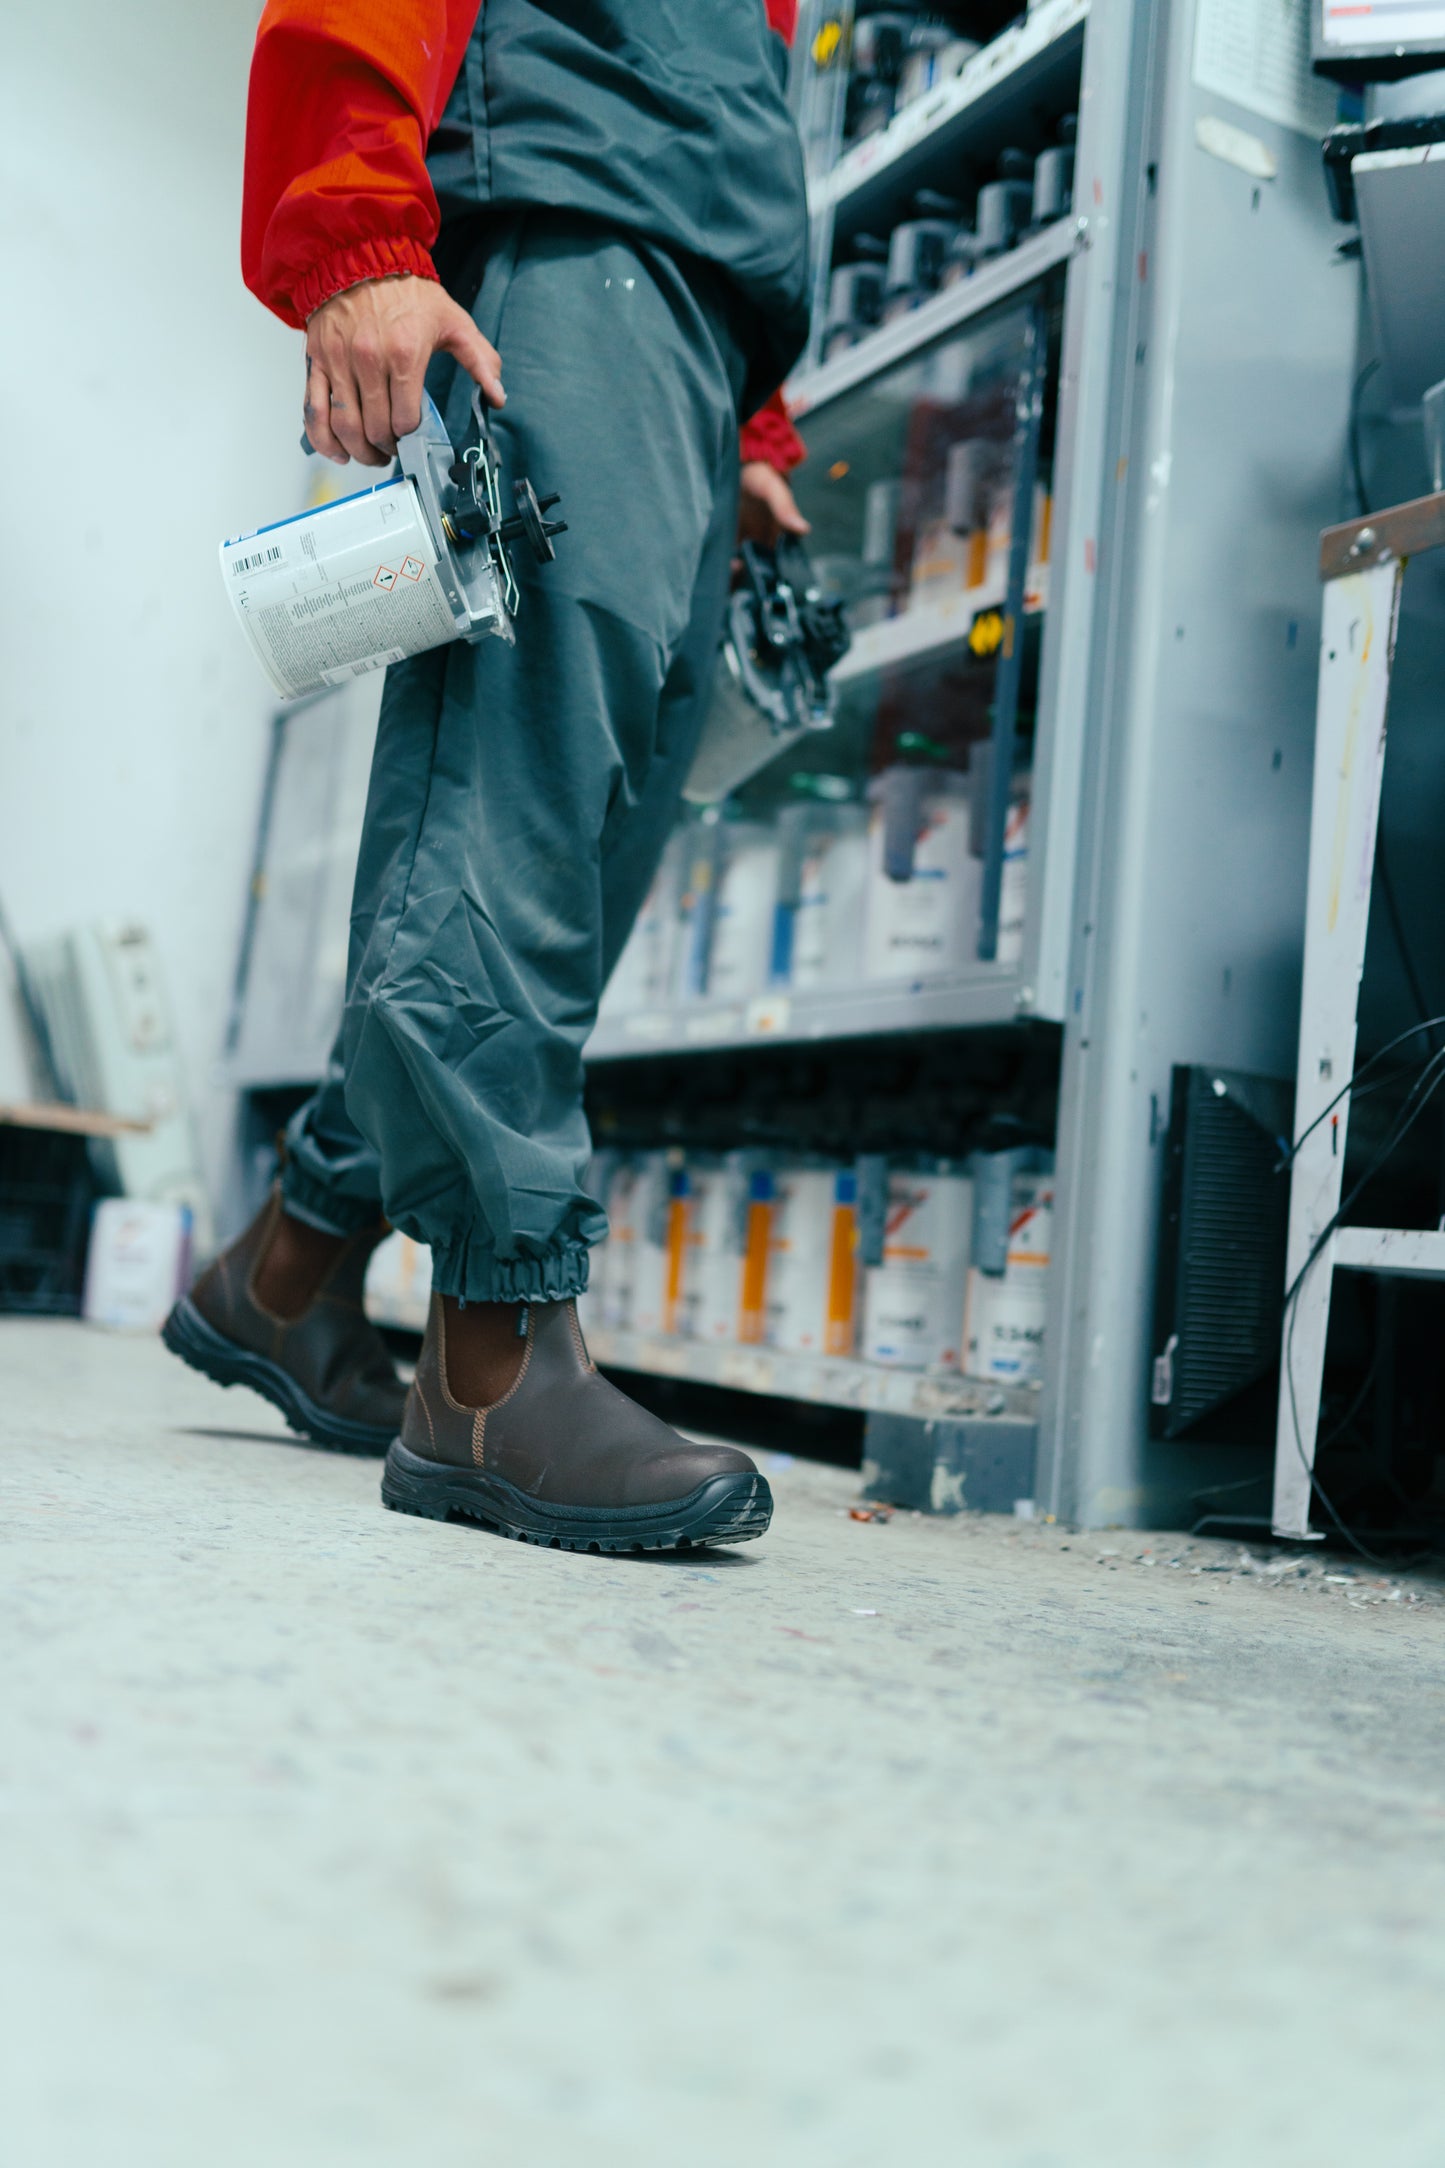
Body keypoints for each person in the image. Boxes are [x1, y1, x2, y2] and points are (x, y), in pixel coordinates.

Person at [165, 0, 812, 1553]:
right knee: (508, 801)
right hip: (569, 250)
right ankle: (490, 1363)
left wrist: (754, 414)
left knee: (592, 840)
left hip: (693, 325)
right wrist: (361, 241)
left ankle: (287, 1270)